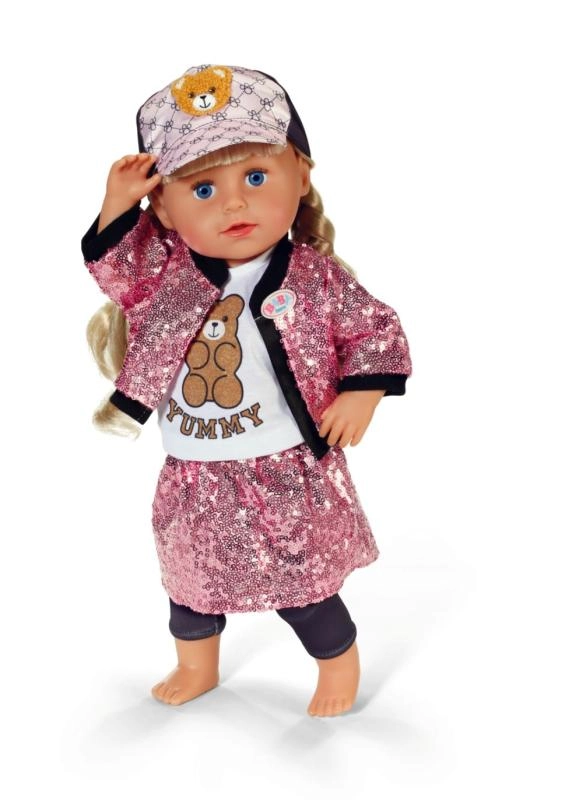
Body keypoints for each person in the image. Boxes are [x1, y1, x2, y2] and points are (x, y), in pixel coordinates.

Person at [82, 65, 412, 717]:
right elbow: (116, 265)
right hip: (194, 473)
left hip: (284, 469)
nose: (233, 205)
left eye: (256, 178)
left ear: (300, 176)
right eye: (203, 189)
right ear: (164, 208)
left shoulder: (312, 277)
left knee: (304, 588)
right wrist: (115, 205)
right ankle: (195, 665)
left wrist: (362, 393)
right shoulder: (163, 277)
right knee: (190, 585)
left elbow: (375, 330)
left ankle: (337, 668)